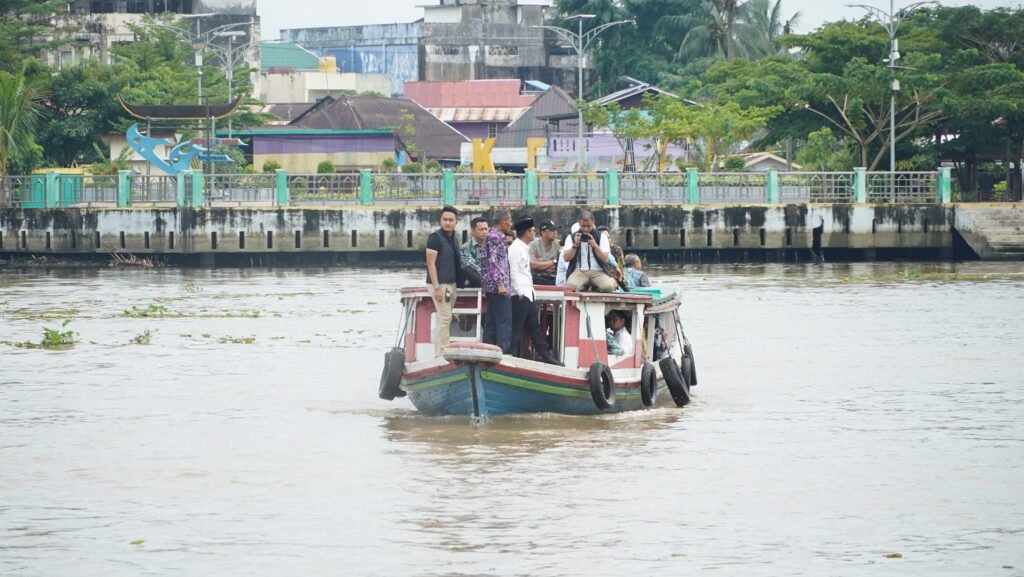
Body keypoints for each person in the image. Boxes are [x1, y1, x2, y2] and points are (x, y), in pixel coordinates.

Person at [425, 205, 463, 356]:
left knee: (444, 317)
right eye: (445, 219)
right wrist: (436, 287)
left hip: (451, 283)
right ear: (440, 221)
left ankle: (440, 349)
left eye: (451, 220)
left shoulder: (454, 238)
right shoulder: (435, 238)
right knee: (446, 317)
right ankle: (441, 353)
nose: (447, 222)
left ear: (456, 221)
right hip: (439, 284)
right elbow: (430, 263)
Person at [481, 211, 513, 353]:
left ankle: (488, 351)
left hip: (490, 286)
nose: (511, 225)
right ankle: (503, 353)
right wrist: (500, 283)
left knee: (491, 322)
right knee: (504, 322)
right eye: (509, 221)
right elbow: (493, 262)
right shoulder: (495, 237)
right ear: (503, 221)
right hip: (498, 287)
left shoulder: (491, 237)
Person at [563, 210, 617, 293]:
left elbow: (605, 259)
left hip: (598, 271)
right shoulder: (571, 237)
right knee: (570, 287)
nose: (586, 229)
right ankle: (586, 287)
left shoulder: (602, 237)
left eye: (589, 226)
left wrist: (595, 245)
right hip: (580, 271)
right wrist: (575, 245)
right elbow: (566, 258)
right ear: (579, 223)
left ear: (593, 222)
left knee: (608, 287)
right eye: (583, 226)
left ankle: (605, 284)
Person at [529, 219, 560, 286]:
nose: (555, 232)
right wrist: (554, 262)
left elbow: (560, 266)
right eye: (552, 230)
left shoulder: (559, 244)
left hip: (554, 277)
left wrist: (540, 263)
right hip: (538, 277)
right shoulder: (533, 245)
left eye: (555, 230)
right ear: (543, 233)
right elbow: (533, 265)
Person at [460, 217, 488, 288]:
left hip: (488, 280)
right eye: (481, 229)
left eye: (486, 229)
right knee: (469, 271)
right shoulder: (465, 247)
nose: (484, 232)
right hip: (473, 282)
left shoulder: (491, 246)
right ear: (472, 231)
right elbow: (471, 267)